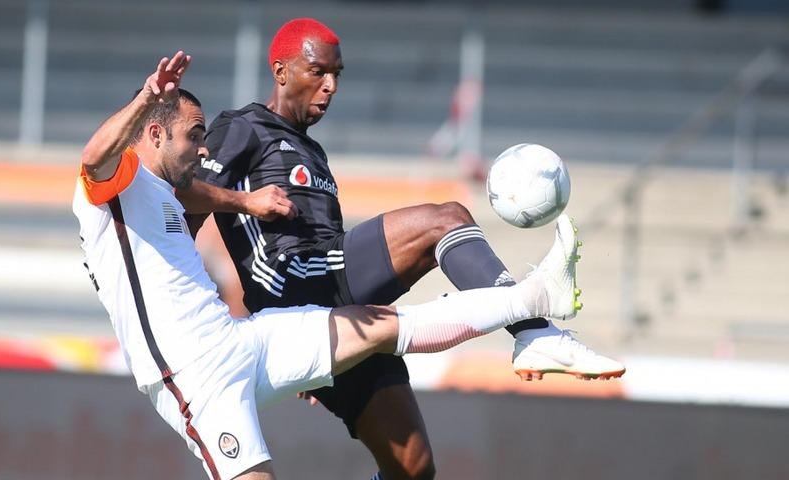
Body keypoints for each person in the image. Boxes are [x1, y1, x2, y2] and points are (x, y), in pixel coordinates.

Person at [74, 50, 587, 480]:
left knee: (376, 327)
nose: (204, 147)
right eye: (194, 135)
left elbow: (196, 196)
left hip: (243, 340)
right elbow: (93, 159)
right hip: (193, 378)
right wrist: (145, 98)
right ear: (156, 135)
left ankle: (535, 296)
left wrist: (245, 202)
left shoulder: (164, 190)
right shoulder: (112, 187)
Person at [182, 18, 626, 479]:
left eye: (337, 74)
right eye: (318, 72)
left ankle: (533, 335)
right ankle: (534, 333)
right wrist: (243, 209)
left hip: (327, 316)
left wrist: (307, 350)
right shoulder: (242, 127)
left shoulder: (313, 153)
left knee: (413, 469)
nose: (330, 86)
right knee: (446, 219)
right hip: (295, 281)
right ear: (280, 71)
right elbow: (183, 198)